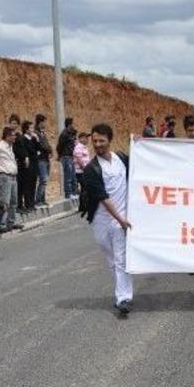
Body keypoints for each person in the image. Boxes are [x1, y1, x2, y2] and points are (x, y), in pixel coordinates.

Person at [81, 123, 134, 315]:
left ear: (109, 140)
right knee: (111, 259)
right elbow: (102, 198)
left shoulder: (121, 159)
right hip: (101, 220)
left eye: (101, 140)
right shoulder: (91, 169)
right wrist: (118, 218)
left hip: (120, 219)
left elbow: (139, 166)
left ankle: (123, 298)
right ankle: (123, 291)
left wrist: (139, 144)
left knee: (121, 258)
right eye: (94, 141)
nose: (98, 144)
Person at [15, 120, 39, 211]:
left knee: (33, 183)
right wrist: (26, 157)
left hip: (34, 163)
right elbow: (24, 151)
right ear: (26, 129)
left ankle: (32, 203)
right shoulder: (22, 139)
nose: (32, 130)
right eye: (31, 128)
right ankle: (28, 204)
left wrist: (37, 140)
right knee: (27, 184)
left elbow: (38, 148)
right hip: (27, 164)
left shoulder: (33, 139)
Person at [34, 114, 54, 207]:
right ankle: (38, 201)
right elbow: (42, 145)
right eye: (44, 122)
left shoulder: (42, 133)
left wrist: (50, 150)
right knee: (43, 180)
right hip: (40, 159)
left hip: (45, 159)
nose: (45, 123)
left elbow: (47, 144)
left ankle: (43, 200)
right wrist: (49, 150)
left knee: (44, 180)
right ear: (40, 122)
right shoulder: (36, 133)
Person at [57, 117, 78, 198]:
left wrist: (74, 133)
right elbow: (59, 146)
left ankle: (73, 192)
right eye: (73, 124)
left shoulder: (70, 134)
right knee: (68, 176)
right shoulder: (64, 134)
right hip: (66, 156)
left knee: (73, 175)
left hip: (70, 156)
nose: (74, 126)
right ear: (69, 124)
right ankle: (68, 193)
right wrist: (60, 155)